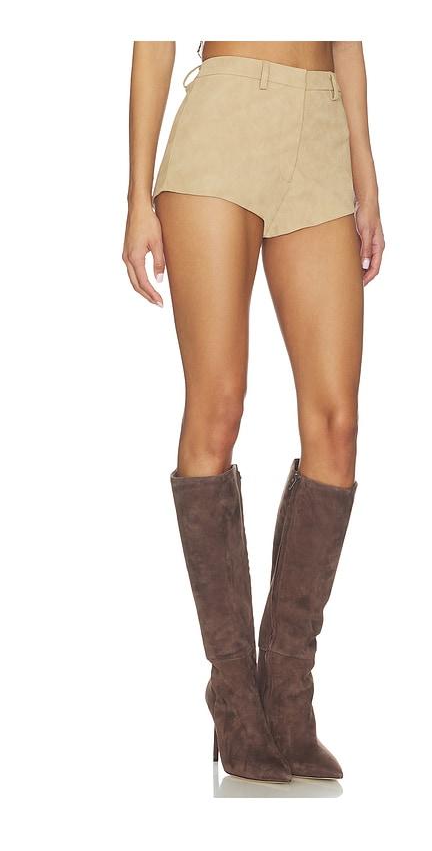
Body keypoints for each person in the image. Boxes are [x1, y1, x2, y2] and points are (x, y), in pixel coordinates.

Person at [122, 40, 385, 783]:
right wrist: (137, 198)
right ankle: (235, 694)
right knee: (217, 404)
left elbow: (347, 40)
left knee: (336, 424)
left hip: (321, 132)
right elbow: (152, 40)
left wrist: (366, 182)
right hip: (224, 120)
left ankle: (288, 694)